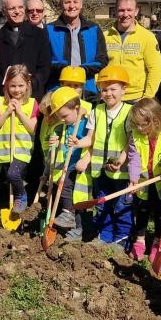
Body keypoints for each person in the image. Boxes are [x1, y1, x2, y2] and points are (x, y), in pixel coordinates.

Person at [76, 65, 134, 244]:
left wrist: (122, 160)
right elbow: (90, 139)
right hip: (100, 169)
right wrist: (78, 143)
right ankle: (105, 236)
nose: (108, 93)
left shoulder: (129, 112)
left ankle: (121, 239)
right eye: (104, 89)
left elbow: (131, 142)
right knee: (102, 204)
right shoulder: (96, 111)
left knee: (122, 206)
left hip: (121, 172)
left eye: (113, 89)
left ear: (124, 89)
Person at [0, 64, 38, 214]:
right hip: (5, 151)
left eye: (21, 86)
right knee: (7, 181)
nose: (17, 90)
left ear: (27, 85)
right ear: (7, 86)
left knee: (13, 174)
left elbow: (32, 128)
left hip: (22, 151)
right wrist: (7, 111)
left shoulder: (32, 103)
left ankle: (22, 196)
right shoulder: (1, 102)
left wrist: (20, 112)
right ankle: (11, 211)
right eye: (13, 86)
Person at [126, 98, 161, 260]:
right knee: (142, 210)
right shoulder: (136, 136)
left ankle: (158, 243)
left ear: (156, 121)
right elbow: (134, 159)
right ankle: (139, 241)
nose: (139, 128)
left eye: (143, 125)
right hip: (144, 181)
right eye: (136, 124)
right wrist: (133, 179)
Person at [42, 86, 90, 232]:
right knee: (64, 190)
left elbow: (92, 141)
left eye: (64, 116)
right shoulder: (64, 126)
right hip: (67, 163)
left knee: (70, 190)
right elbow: (60, 141)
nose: (62, 120)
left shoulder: (85, 124)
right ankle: (69, 220)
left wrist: (85, 158)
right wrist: (56, 142)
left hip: (79, 164)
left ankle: (69, 215)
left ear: (76, 108)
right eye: (60, 117)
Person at [46, 0, 108, 96]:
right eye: (67, 2)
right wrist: (65, 69)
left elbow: (102, 60)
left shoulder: (94, 29)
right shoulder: (49, 30)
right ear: (60, 5)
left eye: (75, 2)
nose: (72, 6)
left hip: (88, 91)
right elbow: (44, 61)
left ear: (81, 4)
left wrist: (82, 70)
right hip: (57, 90)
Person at [104, 0, 161, 103]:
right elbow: (99, 67)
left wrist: (147, 98)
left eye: (129, 10)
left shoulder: (147, 37)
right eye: (121, 10)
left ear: (136, 11)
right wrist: (100, 90)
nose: (125, 14)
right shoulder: (105, 37)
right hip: (109, 97)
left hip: (136, 99)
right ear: (115, 11)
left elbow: (156, 70)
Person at [0, 0, 51, 104]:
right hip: (5, 99)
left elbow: (44, 68)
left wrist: (29, 85)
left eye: (20, 7)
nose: (17, 11)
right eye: (12, 8)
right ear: (4, 11)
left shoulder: (39, 35)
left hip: (32, 97)